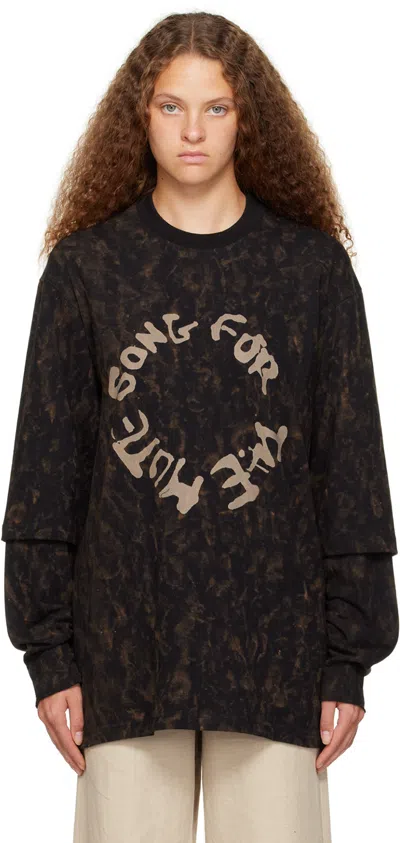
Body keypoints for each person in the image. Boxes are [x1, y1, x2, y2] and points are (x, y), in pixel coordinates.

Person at [2, 11, 398, 843]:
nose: (192, 130)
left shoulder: (312, 272)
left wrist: (347, 660)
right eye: (170, 106)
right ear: (139, 116)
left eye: (216, 107)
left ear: (247, 117)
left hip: (279, 657)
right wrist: (49, 654)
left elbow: (351, 468)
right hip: (120, 654)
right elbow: (46, 472)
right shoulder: (86, 270)